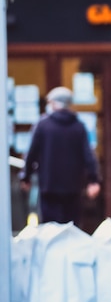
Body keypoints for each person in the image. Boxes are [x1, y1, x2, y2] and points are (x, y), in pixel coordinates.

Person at [20, 86, 100, 227]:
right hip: (73, 187)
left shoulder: (43, 126)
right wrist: (93, 180)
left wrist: (26, 176)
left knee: (50, 228)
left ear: (55, 104)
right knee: (71, 228)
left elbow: (31, 154)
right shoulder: (78, 127)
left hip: (49, 187)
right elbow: (88, 156)